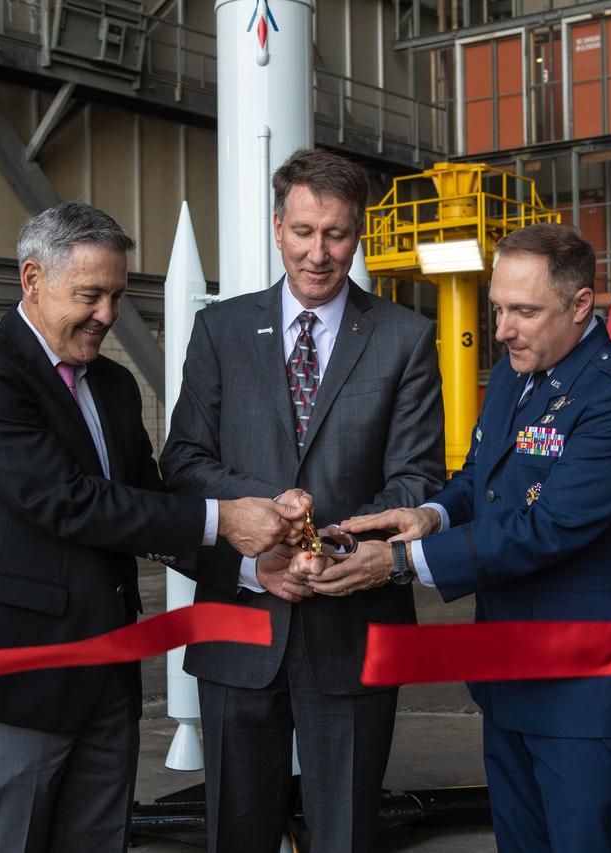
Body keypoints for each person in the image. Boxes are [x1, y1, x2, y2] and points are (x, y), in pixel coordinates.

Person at [0, 202, 308, 853]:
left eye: (116, 295)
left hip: (107, 675)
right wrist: (225, 516)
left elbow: (147, 508)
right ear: (32, 280)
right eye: (90, 295)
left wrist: (248, 562)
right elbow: (68, 502)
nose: (107, 314)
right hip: (16, 675)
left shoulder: (112, 383)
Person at [328, 223, 611, 852]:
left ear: (580, 305)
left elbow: (549, 528)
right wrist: (431, 514)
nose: (504, 329)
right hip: (508, 673)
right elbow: (481, 476)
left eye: (525, 311)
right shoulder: (520, 371)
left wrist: (402, 563)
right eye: (498, 310)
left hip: (582, 690)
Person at [159, 147, 445, 853]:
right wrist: (264, 540)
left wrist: (329, 547)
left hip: (353, 626)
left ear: (358, 234)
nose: (318, 253)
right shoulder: (220, 332)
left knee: (345, 834)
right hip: (239, 623)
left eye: (337, 234)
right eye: (304, 231)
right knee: (237, 832)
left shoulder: (405, 338)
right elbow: (184, 464)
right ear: (278, 227)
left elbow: (417, 478)